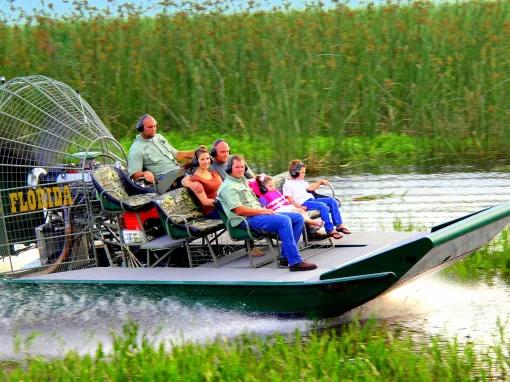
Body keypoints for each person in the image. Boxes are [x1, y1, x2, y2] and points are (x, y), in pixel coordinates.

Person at [217, 155, 317, 271]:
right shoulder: (229, 187)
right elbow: (239, 210)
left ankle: (285, 257)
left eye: (242, 167)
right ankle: (295, 261)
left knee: (298, 218)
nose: (241, 170)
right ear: (230, 168)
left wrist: (265, 209)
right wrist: (262, 211)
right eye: (237, 167)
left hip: (258, 214)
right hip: (245, 219)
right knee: (284, 221)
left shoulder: (242, 181)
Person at [283, 159, 350, 240]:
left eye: (304, 172)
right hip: (303, 203)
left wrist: (320, 182)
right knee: (323, 206)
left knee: (332, 200)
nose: (304, 174)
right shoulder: (288, 184)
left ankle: (339, 225)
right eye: (302, 172)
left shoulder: (301, 181)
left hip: (311, 200)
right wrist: (299, 207)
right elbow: (289, 200)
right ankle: (330, 230)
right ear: (294, 172)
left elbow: (310, 188)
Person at [127, 114, 195, 193]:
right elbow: (134, 174)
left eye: (155, 126)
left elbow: (177, 154)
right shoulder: (136, 149)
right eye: (150, 127)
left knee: (204, 166)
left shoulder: (159, 137)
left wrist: (196, 152)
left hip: (178, 171)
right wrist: (145, 173)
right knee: (192, 182)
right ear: (141, 128)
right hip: (163, 180)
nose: (153, 129)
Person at [255, 174, 323, 229]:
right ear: (263, 188)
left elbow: (285, 200)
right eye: (270, 186)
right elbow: (263, 208)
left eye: (273, 185)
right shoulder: (263, 197)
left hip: (286, 207)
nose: (273, 187)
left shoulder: (275, 192)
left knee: (301, 210)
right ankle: (313, 222)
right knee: (298, 215)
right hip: (278, 210)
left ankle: (311, 225)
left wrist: (296, 206)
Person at [186, 145, 222, 219]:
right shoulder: (196, 179)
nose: (206, 161)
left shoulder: (214, 173)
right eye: (202, 159)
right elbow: (205, 201)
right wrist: (223, 204)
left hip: (224, 205)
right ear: (197, 161)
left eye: (207, 158)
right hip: (212, 210)